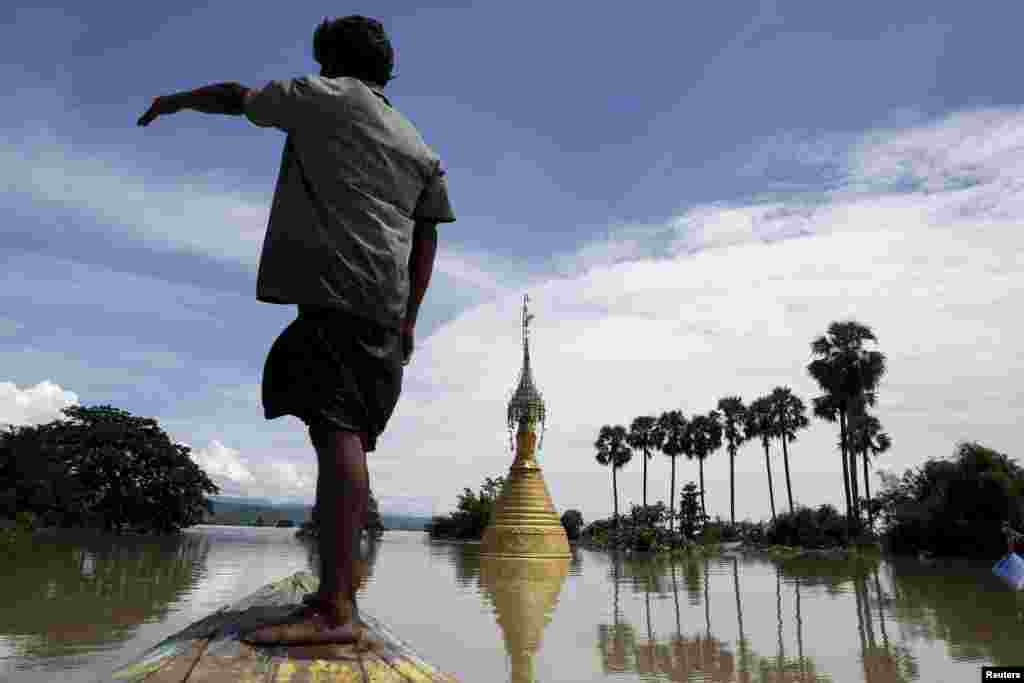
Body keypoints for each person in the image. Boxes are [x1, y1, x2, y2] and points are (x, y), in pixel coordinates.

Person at [138, 15, 455, 644]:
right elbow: (426, 241)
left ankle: (337, 609)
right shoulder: (418, 144)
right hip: (383, 310)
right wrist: (411, 320)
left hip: (338, 293)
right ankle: (338, 591)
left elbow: (238, 98)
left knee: (336, 430)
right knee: (347, 433)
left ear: (329, 62)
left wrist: (174, 101)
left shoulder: (326, 97)